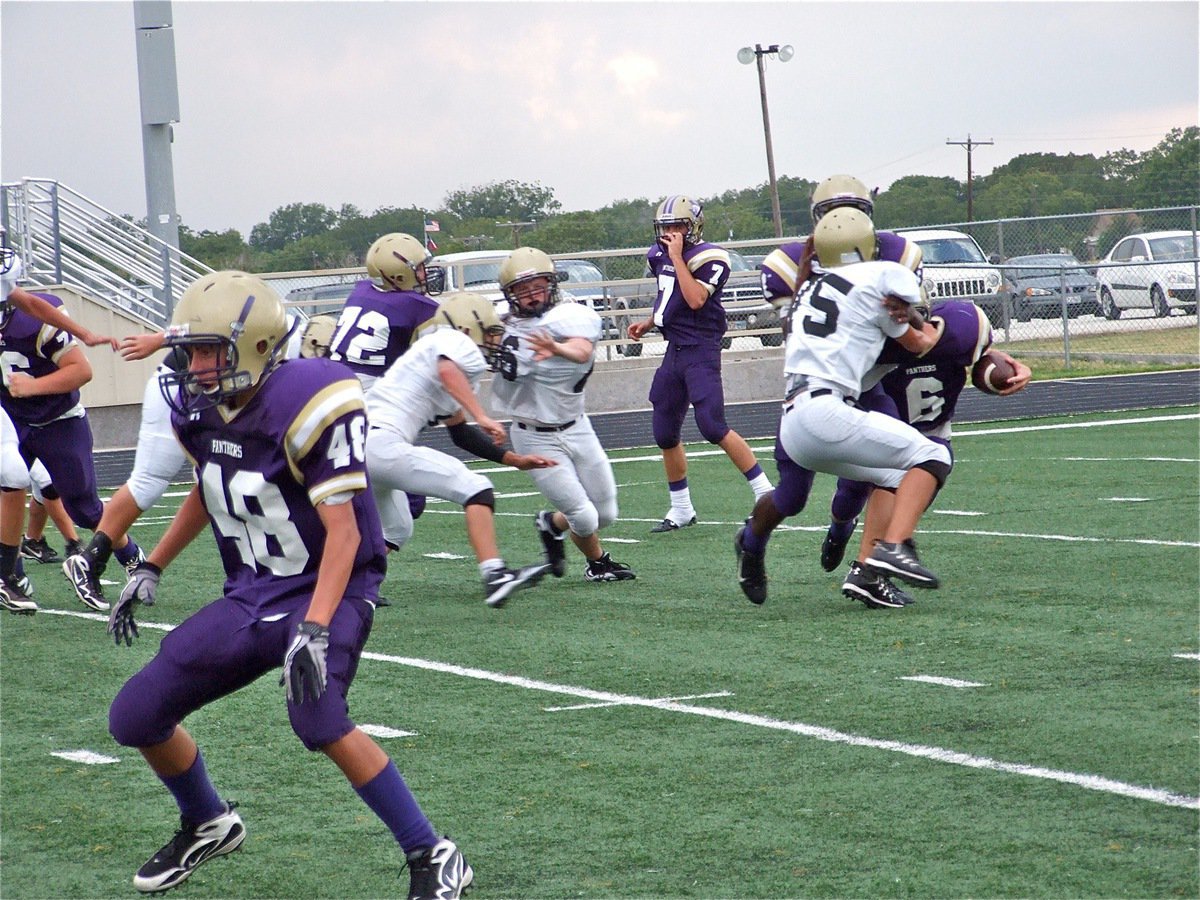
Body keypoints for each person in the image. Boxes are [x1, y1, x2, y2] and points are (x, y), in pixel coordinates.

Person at [104, 271, 471, 898]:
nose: (196, 367)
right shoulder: (203, 409)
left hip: (330, 586)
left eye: (208, 351)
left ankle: (432, 852)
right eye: (190, 352)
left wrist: (316, 627)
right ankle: (208, 821)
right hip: (253, 593)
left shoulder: (308, 399)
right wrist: (152, 564)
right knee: (135, 715)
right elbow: (211, 488)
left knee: (319, 719)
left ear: (256, 345)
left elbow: (346, 535)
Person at [735, 208, 952, 603]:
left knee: (893, 476)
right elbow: (920, 342)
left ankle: (875, 558)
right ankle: (894, 547)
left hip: (795, 418)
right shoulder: (881, 274)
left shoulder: (809, 288)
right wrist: (927, 321)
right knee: (935, 456)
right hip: (827, 410)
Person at [63, 313, 337, 611]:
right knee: (149, 482)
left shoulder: (290, 341)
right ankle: (89, 561)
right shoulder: (277, 329)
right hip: (189, 386)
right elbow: (213, 319)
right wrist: (161, 340)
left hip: (218, 392)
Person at [363, 291, 554, 607]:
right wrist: (482, 415)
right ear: (467, 327)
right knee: (477, 488)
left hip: (361, 447)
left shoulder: (433, 353)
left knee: (396, 527)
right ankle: (495, 574)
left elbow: (460, 433)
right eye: (490, 332)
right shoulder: (453, 343)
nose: (494, 341)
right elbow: (447, 370)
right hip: (381, 442)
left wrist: (514, 459)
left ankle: (353, 588)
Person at [627, 196, 772, 532]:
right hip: (675, 350)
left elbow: (694, 299)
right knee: (664, 431)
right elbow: (671, 297)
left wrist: (678, 257)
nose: (671, 233)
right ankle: (681, 508)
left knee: (712, 425)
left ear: (693, 226)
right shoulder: (658, 255)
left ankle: (765, 492)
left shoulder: (711, 257)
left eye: (678, 226)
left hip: (701, 350)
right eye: (665, 227)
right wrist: (650, 322)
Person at [490, 247, 635, 582]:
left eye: (537, 286)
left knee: (605, 513)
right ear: (510, 295)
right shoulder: (502, 328)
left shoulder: (570, 315)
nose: (531, 295)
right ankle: (598, 563)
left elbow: (582, 350)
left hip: (578, 426)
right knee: (584, 517)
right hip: (534, 435)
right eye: (522, 290)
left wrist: (555, 348)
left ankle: (551, 523)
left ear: (551, 285)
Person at [1, 288, 143, 611]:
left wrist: (33, 386)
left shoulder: (31, 318)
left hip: (57, 419)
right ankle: (10, 573)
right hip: (9, 418)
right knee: (8, 481)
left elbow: (81, 371)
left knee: (84, 508)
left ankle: (131, 557)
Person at [328, 233, 441, 391]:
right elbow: (438, 363)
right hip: (369, 392)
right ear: (400, 277)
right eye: (420, 268)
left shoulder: (361, 292)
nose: (425, 274)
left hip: (329, 381)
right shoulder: (417, 306)